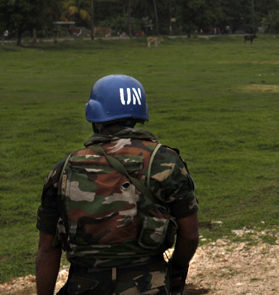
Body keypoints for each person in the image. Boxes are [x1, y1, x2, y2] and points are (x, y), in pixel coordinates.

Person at [36, 75, 199, 295]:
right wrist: (176, 272)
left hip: (85, 286)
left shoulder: (64, 169)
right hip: (149, 285)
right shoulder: (164, 161)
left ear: (94, 116)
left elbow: (47, 248)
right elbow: (189, 236)